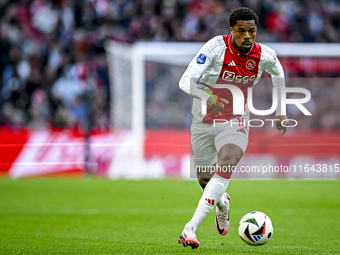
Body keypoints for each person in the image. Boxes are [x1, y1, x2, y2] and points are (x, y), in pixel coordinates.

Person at [178, 7, 289, 249]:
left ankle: (190, 228)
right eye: (241, 31)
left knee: (226, 164)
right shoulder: (216, 48)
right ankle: (223, 203)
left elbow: (278, 73)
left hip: (237, 118)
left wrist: (280, 111)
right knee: (206, 179)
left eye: (252, 31)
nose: (247, 36)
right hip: (203, 119)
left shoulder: (264, 55)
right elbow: (185, 80)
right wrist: (204, 94)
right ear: (232, 31)